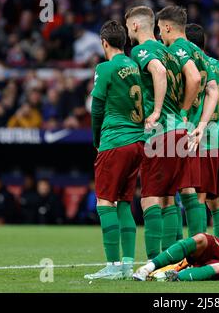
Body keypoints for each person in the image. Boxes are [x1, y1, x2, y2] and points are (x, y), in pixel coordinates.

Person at [125, 6, 192, 258]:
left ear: (134, 26)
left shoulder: (142, 50)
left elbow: (159, 72)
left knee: (149, 198)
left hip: (160, 130)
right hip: (178, 129)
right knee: (167, 197)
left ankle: (154, 262)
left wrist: (156, 111)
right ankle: (174, 259)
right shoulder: (170, 52)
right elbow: (190, 79)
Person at [83, 20, 146, 280]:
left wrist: (97, 138)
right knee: (124, 203)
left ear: (104, 43)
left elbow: (96, 107)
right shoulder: (135, 66)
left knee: (105, 202)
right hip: (137, 143)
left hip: (115, 140)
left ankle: (112, 266)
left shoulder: (105, 67)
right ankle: (128, 265)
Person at [157, 5, 219, 239]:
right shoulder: (200, 52)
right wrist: (202, 125)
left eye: (160, 29)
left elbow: (193, 78)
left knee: (167, 193)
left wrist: (182, 110)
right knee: (188, 189)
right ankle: (198, 248)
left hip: (176, 127)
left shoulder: (179, 48)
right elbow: (213, 90)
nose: (159, 35)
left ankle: (170, 254)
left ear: (168, 27)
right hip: (193, 131)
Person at [185, 23, 219, 238]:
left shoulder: (193, 67)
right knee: (215, 198)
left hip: (201, 138)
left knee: (197, 196)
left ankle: (196, 251)